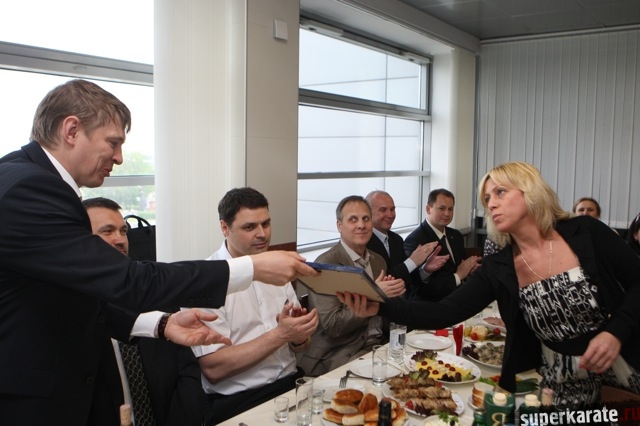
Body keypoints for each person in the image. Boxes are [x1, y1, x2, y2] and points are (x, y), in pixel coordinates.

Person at [0, 79, 317, 425]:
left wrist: (162, 323)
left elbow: (72, 294)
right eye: (113, 142)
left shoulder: (28, 179)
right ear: (72, 130)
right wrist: (251, 268)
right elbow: (129, 280)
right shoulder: (29, 187)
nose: (119, 158)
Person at [338, 161, 640, 409]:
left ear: (530, 191)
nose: (491, 204)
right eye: (487, 199)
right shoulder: (501, 266)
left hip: (626, 365)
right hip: (561, 386)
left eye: (500, 192)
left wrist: (615, 332)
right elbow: (444, 312)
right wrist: (380, 306)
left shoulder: (584, 231)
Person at [192, 187, 320, 424]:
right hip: (239, 400)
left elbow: (300, 347)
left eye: (266, 224)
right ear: (224, 228)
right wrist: (281, 334)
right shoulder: (206, 281)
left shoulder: (278, 267)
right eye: (250, 227)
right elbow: (214, 369)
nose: (262, 234)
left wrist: (299, 335)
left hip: (290, 385)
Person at [84, 197, 206, 426]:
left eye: (123, 231)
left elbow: (187, 373)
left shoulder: (154, 294)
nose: (120, 240)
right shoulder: (72, 309)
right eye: (107, 231)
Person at [296, 195, 405, 376]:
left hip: (380, 345)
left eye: (366, 219)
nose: (361, 225)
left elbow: (386, 312)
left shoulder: (378, 261)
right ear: (339, 226)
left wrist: (395, 298)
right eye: (353, 219)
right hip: (339, 353)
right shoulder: (326, 264)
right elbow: (333, 326)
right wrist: (376, 294)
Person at [365, 190, 446, 299]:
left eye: (392, 209)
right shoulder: (364, 242)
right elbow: (384, 279)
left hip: (402, 303)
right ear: (368, 212)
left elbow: (409, 277)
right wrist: (413, 260)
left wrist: (426, 269)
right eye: (383, 210)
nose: (390, 215)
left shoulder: (396, 239)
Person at [403, 188, 481, 301]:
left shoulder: (456, 235)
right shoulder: (414, 240)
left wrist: (470, 269)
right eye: (442, 208)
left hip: (459, 298)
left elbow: (461, 266)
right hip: (432, 304)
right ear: (428, 209)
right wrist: (458, 276)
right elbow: (420, 287)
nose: (447, 213)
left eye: (450, 209)